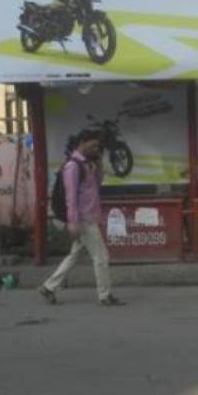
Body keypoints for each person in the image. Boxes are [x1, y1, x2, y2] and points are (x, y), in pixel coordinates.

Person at [37, 129, 123, 307]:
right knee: (101, 257)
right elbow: (71, 197)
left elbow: (95, 187)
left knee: (74, 256)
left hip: (89, 216)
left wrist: (99, 167)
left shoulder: (87, 164)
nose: (96, 149)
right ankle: (105, 295)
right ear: (82, 142)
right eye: (93, 146)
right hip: (84, 219)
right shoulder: (73, 166)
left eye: (97, 147)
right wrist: (73, 222)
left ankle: (49, 287)